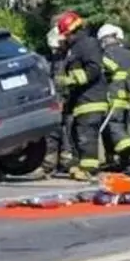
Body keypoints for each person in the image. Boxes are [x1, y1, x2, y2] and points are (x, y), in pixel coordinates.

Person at [54, 12, 108, 182]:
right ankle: (80, 165)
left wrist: (72, 80)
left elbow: (94, 68)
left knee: (87, 134)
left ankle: (89, 170)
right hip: (80, 99)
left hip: (92, 99)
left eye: (67, 35)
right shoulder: (75, 48)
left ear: (73, 31)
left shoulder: (88, 44)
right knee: (76, 133)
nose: (65, 38)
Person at [96, 24, 130, 174]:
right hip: (127, 99)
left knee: (115, 127)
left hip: (113, 97)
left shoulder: (106, 54)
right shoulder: (129, 54)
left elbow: (105, 72)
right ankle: (118, 161)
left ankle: (128, 158)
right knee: (121, 127)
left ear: (104, 40)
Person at [35, 18, 75, 179]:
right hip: (57, 99)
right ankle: (51, 163)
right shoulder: (54, 59)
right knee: (55, 131)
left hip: (67, 99)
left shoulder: (67, 57)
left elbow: (63, 80)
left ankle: (65, 162)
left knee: (66, 130)